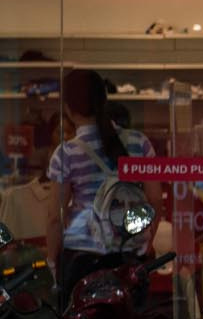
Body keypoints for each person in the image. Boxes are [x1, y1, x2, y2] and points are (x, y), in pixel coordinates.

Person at [45, 67, 157, 298]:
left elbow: (55, 217)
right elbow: (154, 202)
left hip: (82, 259)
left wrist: (52, 262)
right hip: (128, 259)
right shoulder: (140, 142)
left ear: (67, 107)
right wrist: (142, 246)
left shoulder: (66, 153)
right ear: (104, 99)